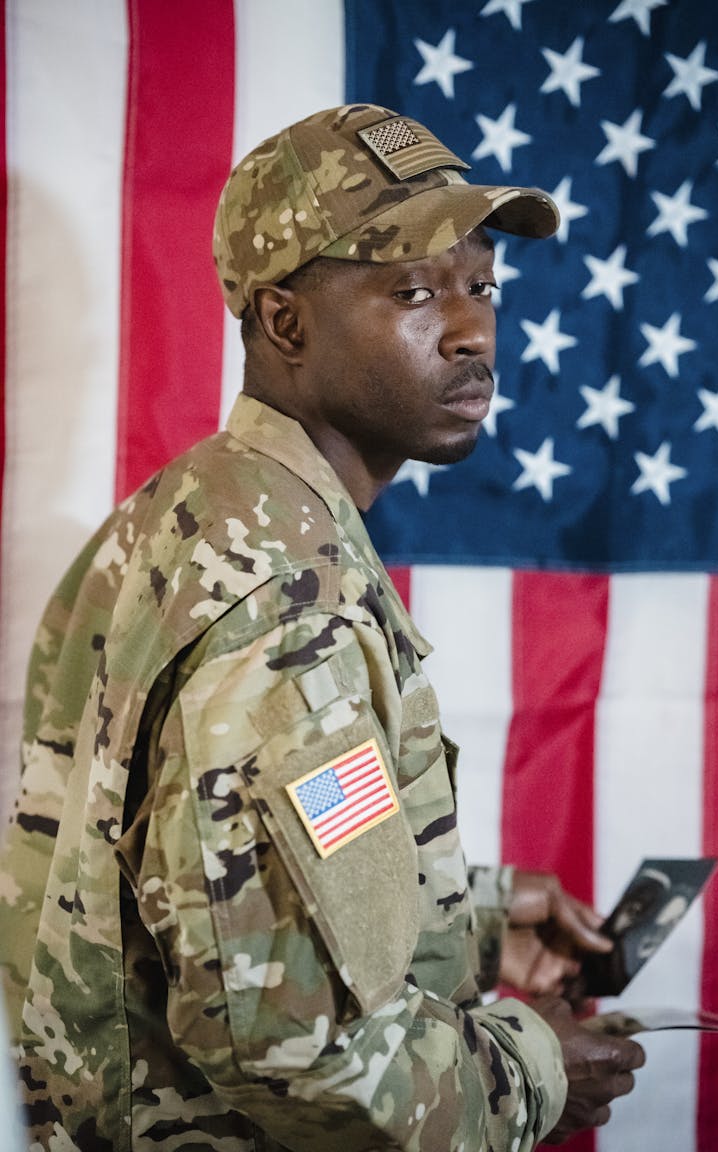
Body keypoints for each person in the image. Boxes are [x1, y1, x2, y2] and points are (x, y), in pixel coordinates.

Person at [0, 103, 644, 1150]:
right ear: (284, 322)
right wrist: (531, 1066)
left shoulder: (190, 516)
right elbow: (295, 1055)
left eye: (481, 285)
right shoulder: (283, 601)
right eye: (414, 291)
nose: (474, 330)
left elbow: (190, 893)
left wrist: (469, 925)